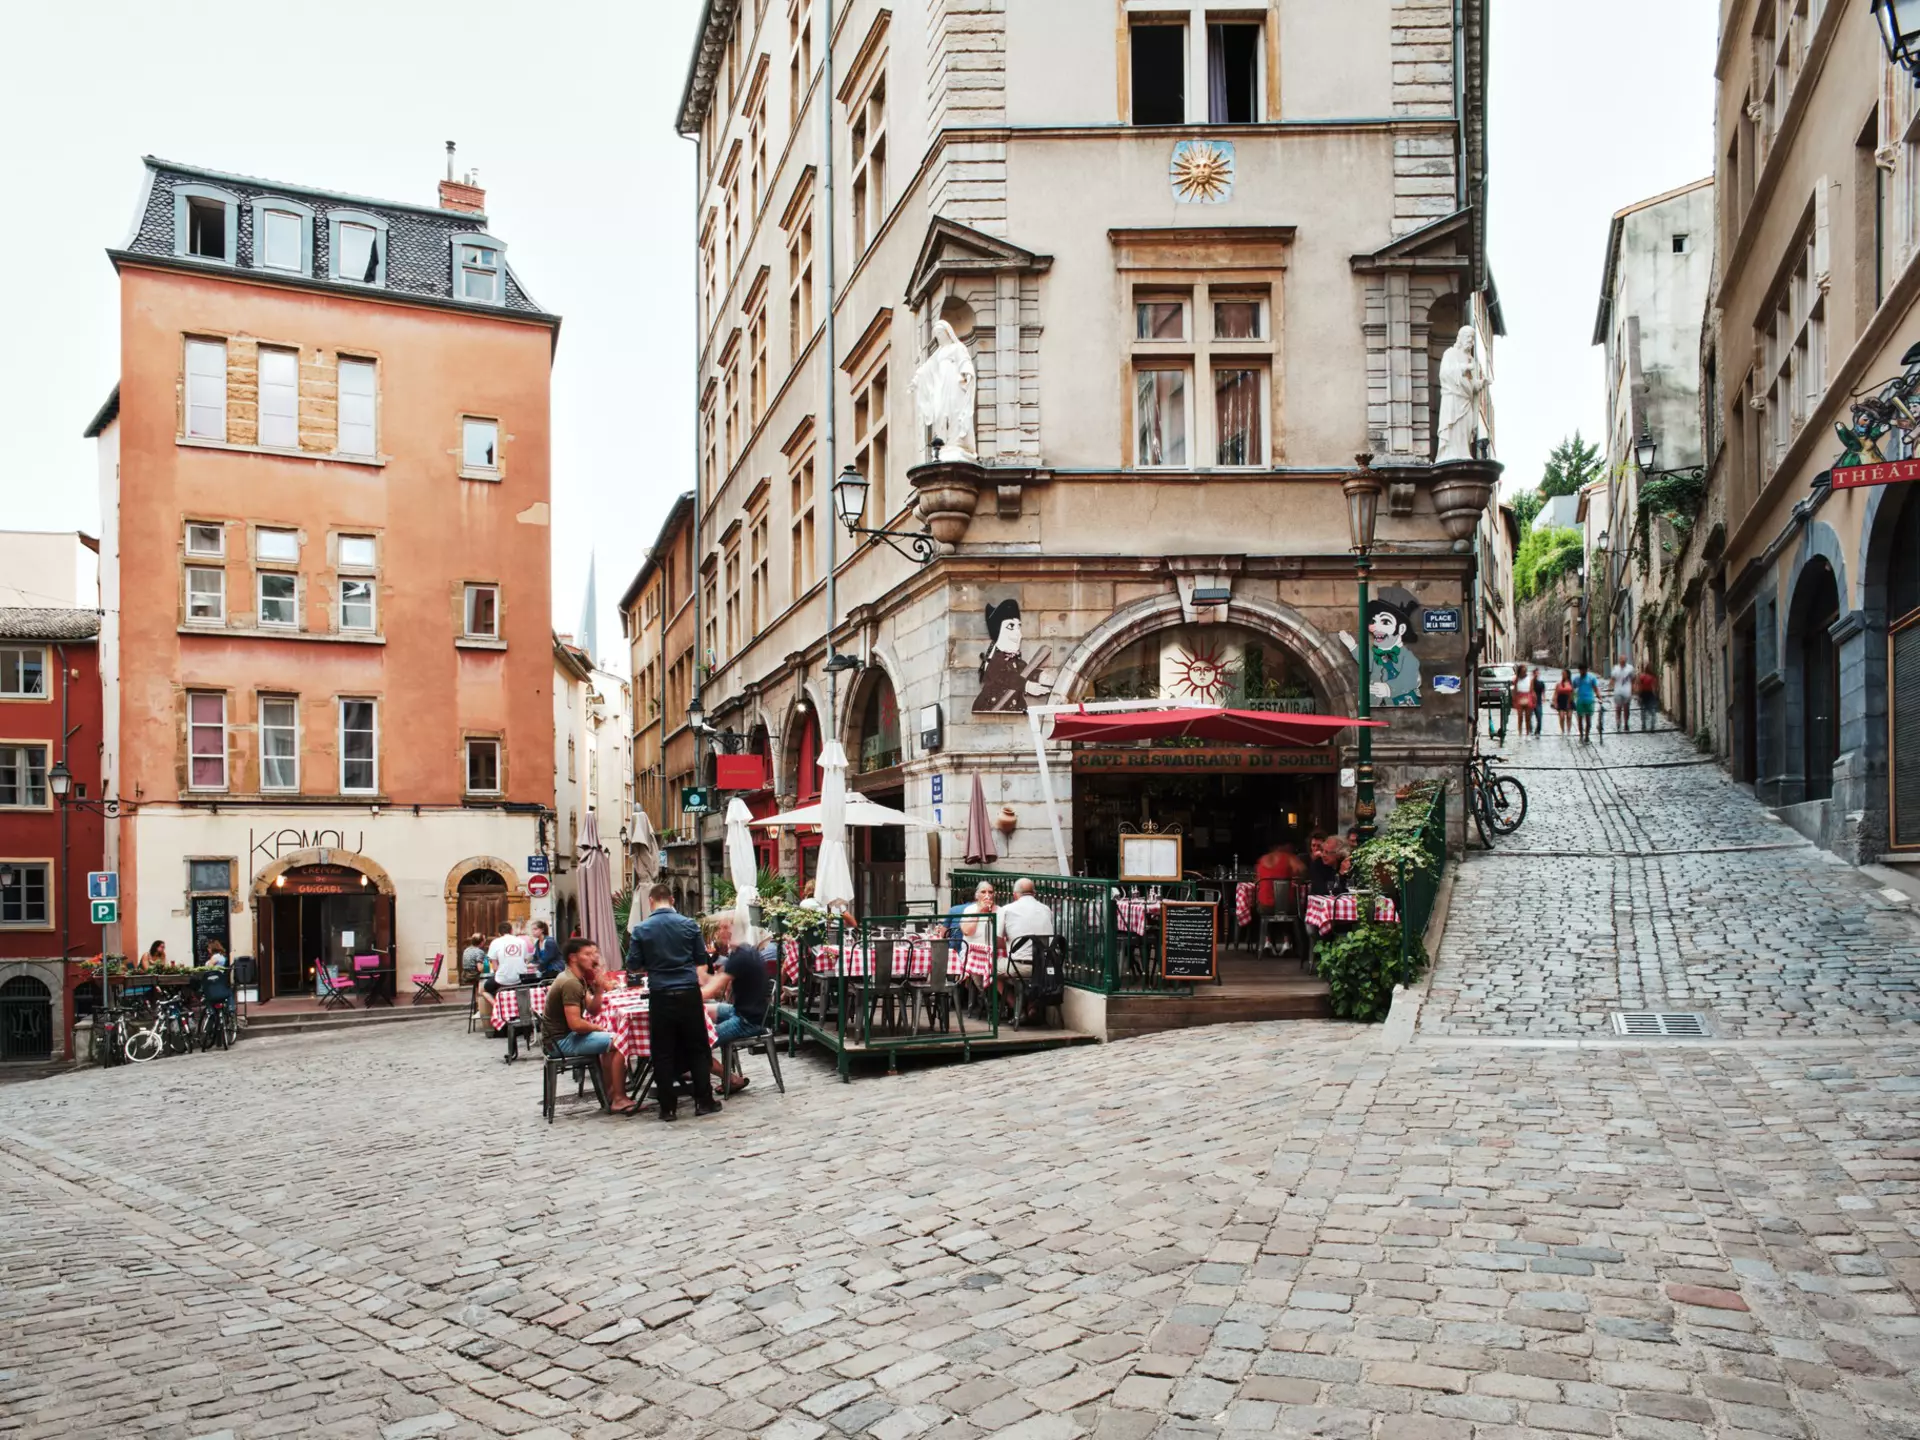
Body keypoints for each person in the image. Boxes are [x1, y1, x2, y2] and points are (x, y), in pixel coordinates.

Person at [630, 883, 718, 1120]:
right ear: (671, 899)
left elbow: (633, 964)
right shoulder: (689, 925)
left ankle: (667, 1107)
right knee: (698, 1048)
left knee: (662, 1051)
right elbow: (701, 958)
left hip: (660, 993)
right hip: (688, 991)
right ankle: (703, 1100)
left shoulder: (641, 929)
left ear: (650, 901)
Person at [542, 938, 637, 1115]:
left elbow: (593, 1010)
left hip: (561, 1038)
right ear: (573, 958)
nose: (593, 957)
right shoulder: (570, 982)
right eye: (587, 954)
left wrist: (600, 988)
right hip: (560, 1042)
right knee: (620, 1042)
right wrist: (599, 1029)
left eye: (594, 953)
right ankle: (618, 1098)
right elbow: (576, 1024)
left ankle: (611, 1093)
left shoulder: (576, 978)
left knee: (612, 1041)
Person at [699, 915, 770, 1094]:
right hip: (744, 1011)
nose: (720, 932)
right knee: (707, 1009)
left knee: (696, 1046)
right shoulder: (744, 951)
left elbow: (711, 991)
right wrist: (700, 975)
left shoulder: (740, 957)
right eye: (720, 927)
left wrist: (681, 997)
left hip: (748, 1021)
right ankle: (688, 1070)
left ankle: (731, 1079)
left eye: (725, 927)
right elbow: (715, 984)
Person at [997, 878, 1055, 1016]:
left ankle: (1016, 1007)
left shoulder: (1007, 910)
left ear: (1015, 894)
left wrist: (1011, 945)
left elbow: (997, 941)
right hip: (1044, 967)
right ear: (1034, 893)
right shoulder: (1046, 909)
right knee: (1029, 976)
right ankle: (1031, 1005)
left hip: (1019, 966)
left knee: (991, 970)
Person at [484, 922, 530, 997]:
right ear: (511, 931)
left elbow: (495, 968)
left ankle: (497, 1004)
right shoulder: (522, 942)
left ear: (499, 933)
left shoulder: (495, 942)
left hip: (502, 980)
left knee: (484, 988)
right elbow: (525, 961)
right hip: (520, 978)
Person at [1573, 664, 1600, 743]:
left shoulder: (1591, 678)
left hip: (1589, 700)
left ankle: (1587, 735)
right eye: (1581, 670)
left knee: (1588, 720)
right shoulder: (1576, 679)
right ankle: (1581, 735)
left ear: (1586, 670)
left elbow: (1595, 688)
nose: (1582, 672)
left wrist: (1599, 697)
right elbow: (1572, 689)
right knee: (1580, 719)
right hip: (1580, 701)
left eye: (1583, 670)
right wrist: (1572, 698)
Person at [1610, 655, 1635, 731]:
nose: (1622, 661)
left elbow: (1633, 679)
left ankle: (1626, 723)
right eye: (1621, 660)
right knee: (1618, 708)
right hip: (1618, 691)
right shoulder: (1616, 668)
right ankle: (1618, 721)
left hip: (1627, 691)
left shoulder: (1630, 668)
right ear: (1619, 660)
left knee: (1626, 708)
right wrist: (1611, 687)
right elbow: (1613, 679)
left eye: (1624, 660)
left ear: (1626, 660)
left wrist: (1633, 689)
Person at [1512, 666, 1534, 740]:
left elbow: (1531, 690)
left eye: (1525, 671)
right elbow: (1515, 690)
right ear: (1520, 671)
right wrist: (1514, 700)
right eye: (1522, 671)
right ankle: (1520, 733)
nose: (1524, 672)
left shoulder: (1529, 679)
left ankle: (1528, 734)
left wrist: (1533, 699)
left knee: (1528, 717)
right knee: (1520, 717)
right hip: (1519, 697)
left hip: (1527, 697)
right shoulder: (1516, 679)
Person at [1636, 664, 1659, 731]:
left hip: (1643, 694)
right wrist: (1656, 696)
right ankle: (1652, 726)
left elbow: (1640, 686)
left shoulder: (1642, 676)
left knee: (1643, 711)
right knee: (1652, 711)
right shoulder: (1653, 677)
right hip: (1650, 694)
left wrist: (1639, 695)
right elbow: (1654, 688)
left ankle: (1643, 726)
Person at [1553, 669, 1575, 736]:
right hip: (1561, 700)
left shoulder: (1571, 683)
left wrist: (1572, 699)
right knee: (1562, 716)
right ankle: (1562, 730)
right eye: (1562, 674)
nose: (1563, 675)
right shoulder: (1559, 684)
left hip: (1569, 700)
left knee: (1569, 716)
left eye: (1564, 674)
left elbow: (1573, 693)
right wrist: (1555, 702)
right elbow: (1556, 694)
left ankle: (1568, 731)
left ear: (1568, 675)